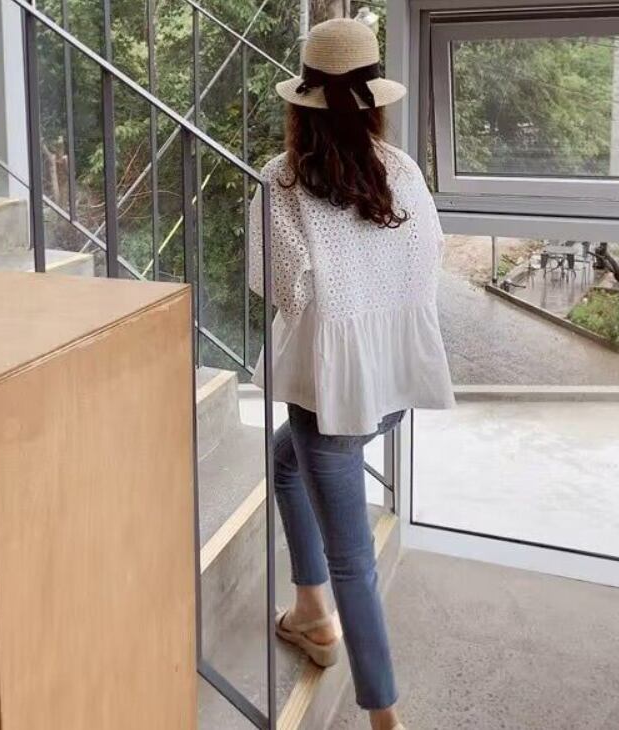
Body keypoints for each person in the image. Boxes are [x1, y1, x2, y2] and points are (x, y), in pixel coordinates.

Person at [248, 17, 454, 730]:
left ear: (301, 104)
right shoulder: (404, 170)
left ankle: (384, 715)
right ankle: (309, 609)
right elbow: (430, 260)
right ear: (374, 102)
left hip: (330, 398)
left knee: (354, 562)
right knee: (284, 461)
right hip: (393, 387)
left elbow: (281, 288)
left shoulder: (283, 180)